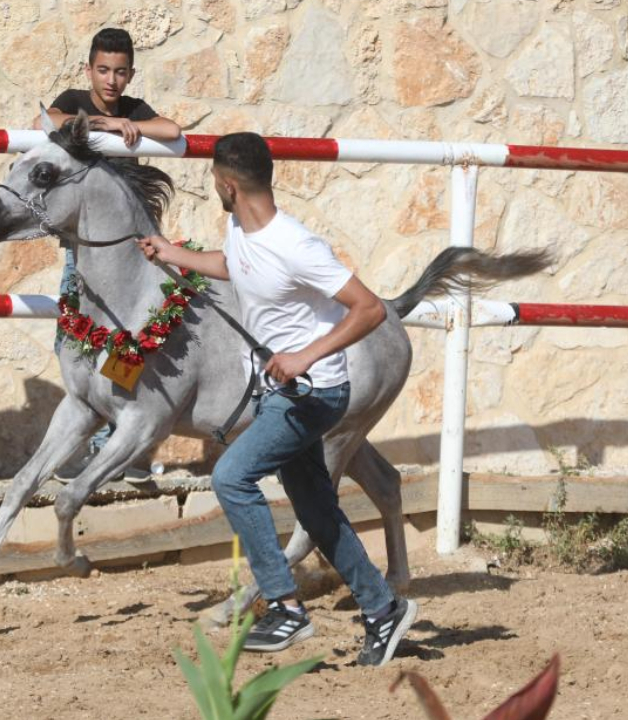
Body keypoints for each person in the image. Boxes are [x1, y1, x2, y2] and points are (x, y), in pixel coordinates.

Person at [136, 133, 418, 667]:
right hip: (282, 392)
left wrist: (306, 355)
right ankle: (384, 610)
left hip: (314, 393)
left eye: (213, 182)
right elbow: (238, 265)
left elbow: (369, 310)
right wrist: (172, 253)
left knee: (231, 477)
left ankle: (285, 604)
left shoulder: (296, 245)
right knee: (317, 507)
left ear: (226, 184)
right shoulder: (242, 227)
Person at [37, 28, 181, 469]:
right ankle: (89, 441)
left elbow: (172, 129)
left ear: (131, 74)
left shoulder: (135, 109)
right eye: (103, 70)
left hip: (132, 254)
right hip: (83, 253)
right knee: (76, 338)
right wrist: (104, 125)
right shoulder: (76, 100)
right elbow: (48, 120)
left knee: (130, 343)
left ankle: (115, 446)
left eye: (120, 72)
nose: (111, 81)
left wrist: (131, 125)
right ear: (89, 70)